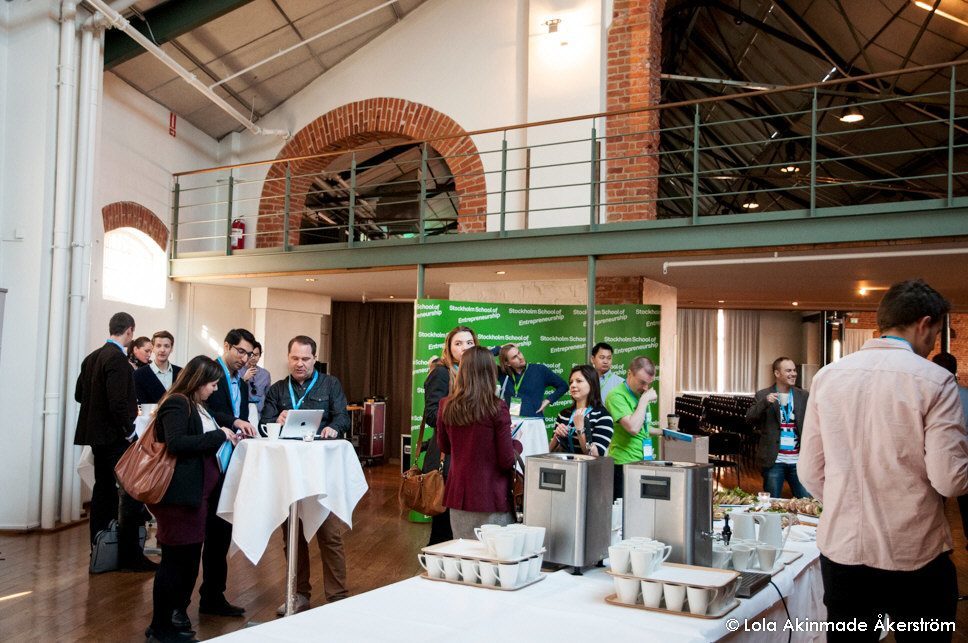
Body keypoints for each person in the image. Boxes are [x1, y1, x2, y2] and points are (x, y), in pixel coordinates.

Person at [798, 280, 968, 641]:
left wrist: (847, 503)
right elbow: (949, 480)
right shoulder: (936, 381)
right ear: (924, 324)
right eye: (936, 333)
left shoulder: (827, 377)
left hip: (843, 551)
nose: (933, 343)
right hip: (914, 552)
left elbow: (810, 471)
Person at [145, 356, 239, 643]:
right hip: (179, 497)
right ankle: (160, 627)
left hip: (196, 497)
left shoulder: (196, 404)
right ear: (198, 382)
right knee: (174, 564)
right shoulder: (177, 403)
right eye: (212, 384)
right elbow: (177, 443)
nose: (214, 389)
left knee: (186, 563)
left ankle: (170, 623)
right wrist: (218, 436)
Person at [261, 335, 351, 615]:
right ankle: (298, 594)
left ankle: (337, 596)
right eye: (295, 358)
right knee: (292, 536)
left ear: (315, 359)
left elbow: (343, 417)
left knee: (329, 533)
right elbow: (264, 422)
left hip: (321, 471)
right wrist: (275, 420)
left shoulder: (330, 384)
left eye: (305, 359)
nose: (299, 364)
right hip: (289, 473)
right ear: (288, 358)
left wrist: (334, 427)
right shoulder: (277, 390)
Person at [73, 312, 156, 571]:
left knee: (103, 492)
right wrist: (129, 432)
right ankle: (131, 556)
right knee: (130, 492)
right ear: (129, 331)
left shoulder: (92, 357)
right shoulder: (118, 359)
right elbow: (118, 402)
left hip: (96, 437)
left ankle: (100, 549)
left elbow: (79, 395)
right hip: (115, 437)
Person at [193, 328, 258, 618]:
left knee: (221, 531)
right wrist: (233, 421)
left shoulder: (242, 384)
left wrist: (240, 426)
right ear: (227, 346)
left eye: (249, 354)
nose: (244, 359)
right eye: (240, 351)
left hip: (229, 463)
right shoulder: (208, 372)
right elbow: (202, 409)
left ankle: (213, 595)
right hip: (205, 461)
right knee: (198, 534)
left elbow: (240, 418)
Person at [437, 346, 520, 539]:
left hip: (458, 497)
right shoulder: (497, 407)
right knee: (495, 555)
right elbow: (506, 461)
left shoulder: (446, 405)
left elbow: (445, 447)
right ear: (490, 372)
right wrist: (516, 445)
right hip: (492, 497)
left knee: (464, 554)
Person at [422, 325, 477, 545]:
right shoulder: (441, 373)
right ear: (449, 347)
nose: (464, 348)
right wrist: (464, 415)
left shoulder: (474, 375)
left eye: (469, 343)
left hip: (468, 457)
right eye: (458, 343)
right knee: (443, 528)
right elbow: (431, 415)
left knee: (463, 527)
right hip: (447, 456)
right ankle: (433, 564)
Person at [745, 356, 809, 498]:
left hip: (798, 461)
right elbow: (750, 418)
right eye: (788, 371)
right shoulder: (763, 394)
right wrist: (765, 402)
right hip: (774, 461)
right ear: (777, 373)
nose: (793, 374)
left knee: (807, 502)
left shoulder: (803, 395)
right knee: (772, 503)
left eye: (794, 370)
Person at [606, 356, 659, 499]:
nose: (645, 388)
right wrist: (645, 399)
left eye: (649, 383)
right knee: (624, 509)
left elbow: (643, 427)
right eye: (642, 382)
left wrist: (664, 432)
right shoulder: (616, 396)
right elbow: (633, 427)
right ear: (629, 374)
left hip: (643, 461)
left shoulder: (640, 394)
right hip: (623, 464)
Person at [931, 351, 968, 551]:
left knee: (934, 506)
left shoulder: (931, 396)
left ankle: (939, 546)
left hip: (935, 461)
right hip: (965, 460)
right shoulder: (965, 394)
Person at [550, 364, 614, 456]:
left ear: (591, 384)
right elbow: (550, 451)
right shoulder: (564, 414)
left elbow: (595, 456)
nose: (573, 385)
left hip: (587, 466)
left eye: (579, 381)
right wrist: (556, 436)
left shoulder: (603, 416)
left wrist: (580, 429)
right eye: (571, 382)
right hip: (564, 465)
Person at [497, 344, 568, 417]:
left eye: (519, 353)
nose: (520, 357)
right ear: (507, 363)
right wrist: (500, 348)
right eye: (514, 357)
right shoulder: (502, 374)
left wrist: (548, 400)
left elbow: (563, 386)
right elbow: (487, 359)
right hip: (512, 421)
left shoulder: (540, 370)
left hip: (535, 420)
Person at [134, 331, 182, 404]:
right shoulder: (139, 374)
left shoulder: (181, 373)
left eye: (166, 346)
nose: (162, 350)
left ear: (171, 348)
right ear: (152, 348)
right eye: (158, 346)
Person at [242, 341, 271, 413]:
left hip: (260, 412)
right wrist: (244, 379)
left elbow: (268, 396)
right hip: (242, 410)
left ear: (260, 355)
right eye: (251, 354)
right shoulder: (238, 370)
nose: (253, 357)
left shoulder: (265, 374)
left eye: (256, 355)